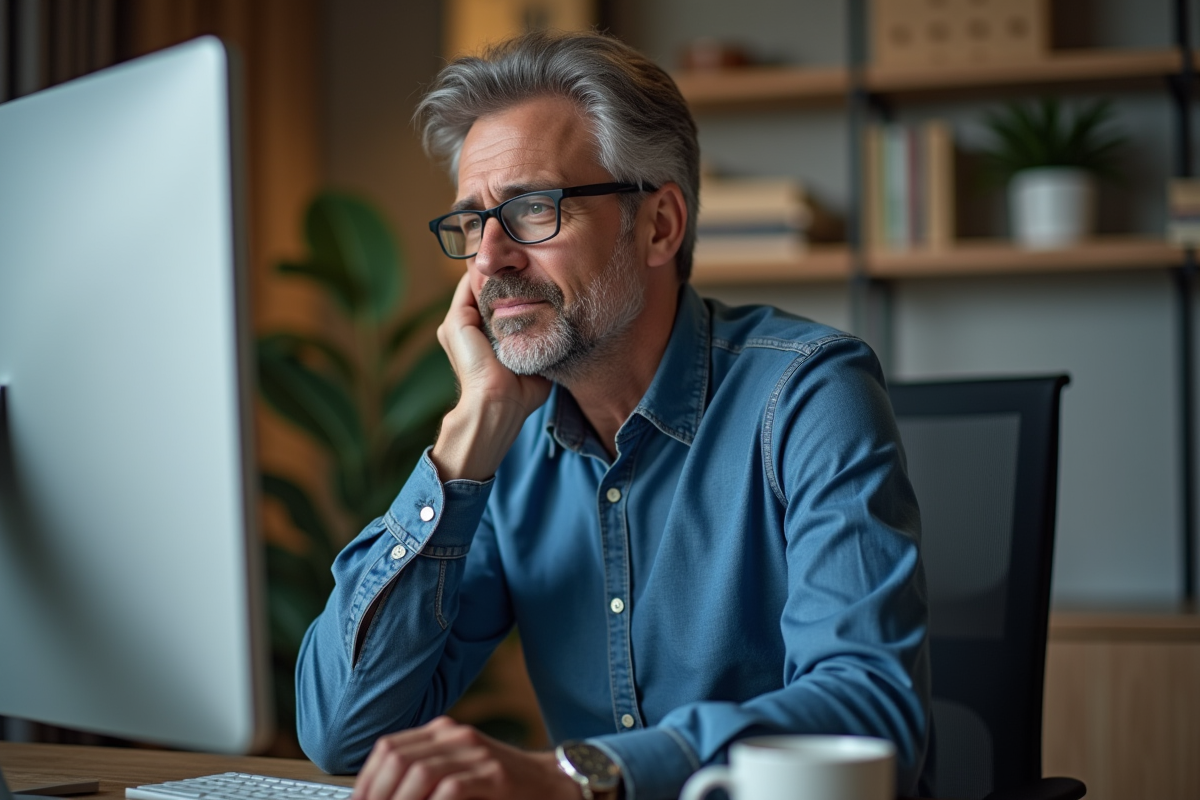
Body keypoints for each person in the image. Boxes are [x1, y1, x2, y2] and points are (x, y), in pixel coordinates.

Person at [295, 30, 930, 800]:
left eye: (533, 209)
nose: (490, 258)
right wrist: (465, 439)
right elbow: (343, 731)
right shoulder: (507, 440)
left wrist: (580, 778)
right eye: (472, 223)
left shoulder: (808, 394)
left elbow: (869, 713)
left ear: (659, 225)